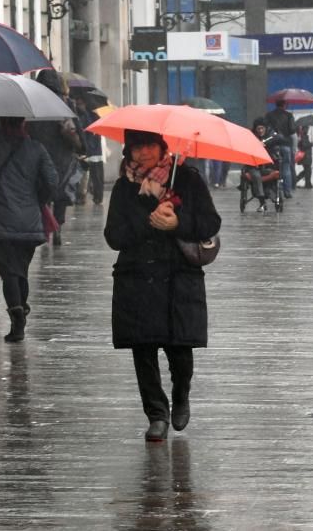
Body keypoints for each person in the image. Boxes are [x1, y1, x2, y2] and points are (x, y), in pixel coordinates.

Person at [104, 130, 221, 442]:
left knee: (180, 349)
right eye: (136, 147)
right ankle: (157, 413)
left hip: (178, 279)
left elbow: (210, 223)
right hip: (137, 279)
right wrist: (148, 223)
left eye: (149, 145)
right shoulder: (123, 187)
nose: (143, 153)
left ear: (162, 147)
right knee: (143, 350)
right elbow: (113, 235)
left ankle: (181, 395)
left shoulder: (188, 180)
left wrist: (177, 223)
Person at [0, 117, 58, 342]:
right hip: (28, 220)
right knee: (20, 270)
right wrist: (37, 198)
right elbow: (52, 181)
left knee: (9, 271)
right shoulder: (37, 149)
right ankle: (20, 309)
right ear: (23, 124)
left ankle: (17, 315)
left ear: (1, 124)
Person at [27, 69, 84, 246]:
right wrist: (83, 147)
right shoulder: (65, 102)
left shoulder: (32, 103)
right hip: (62, 157)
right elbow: (76, 127)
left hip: (38, 156)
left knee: (44, 194)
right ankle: (57, 225)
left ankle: (46, 228)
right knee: (60, 194)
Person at [73, 96, 105, 205]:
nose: (79, 105)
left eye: (80, 103)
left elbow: (83, 130)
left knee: (87, 174)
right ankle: (97, 196)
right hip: (95, 149)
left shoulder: (86, 116)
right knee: (96, 175)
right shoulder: (96, 116)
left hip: (90, 149)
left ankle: (85, 196)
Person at [264, 100, 296, 198]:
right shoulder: (289, 115)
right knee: (286, 168)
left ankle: (277, 190)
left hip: (273, 146)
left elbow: (265, 129)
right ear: (285, 105)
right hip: (286, 145)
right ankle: (287, 192)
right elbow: (292, 131)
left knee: (273, 168)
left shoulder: (269, 115)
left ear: (276, 104)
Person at [295, 124, 313, 189]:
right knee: (307, 170)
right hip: (305, 156)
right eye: (306, 128)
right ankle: (306, 184)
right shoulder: (302, 136)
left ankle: (307, 183)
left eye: (308, 128)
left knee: (307, 170)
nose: (307, 130)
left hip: (307, 156)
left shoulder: (305, 136)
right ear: (303, 129)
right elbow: (303, 146)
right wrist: (311, 144)